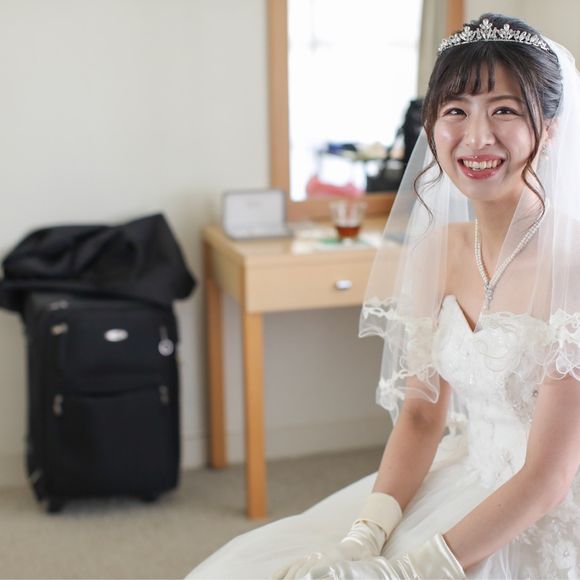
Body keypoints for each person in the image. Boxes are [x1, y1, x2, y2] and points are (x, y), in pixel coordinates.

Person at [189, 13, 580, 579]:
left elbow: (548, 477)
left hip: (542, 506)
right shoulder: (437, 251)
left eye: (504, 110)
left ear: (551, 129)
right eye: (455, 111)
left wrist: (412, 571)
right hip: (467, 475)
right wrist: (366, 536)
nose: (476, 137)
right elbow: (420, 415)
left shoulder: (572, 267)